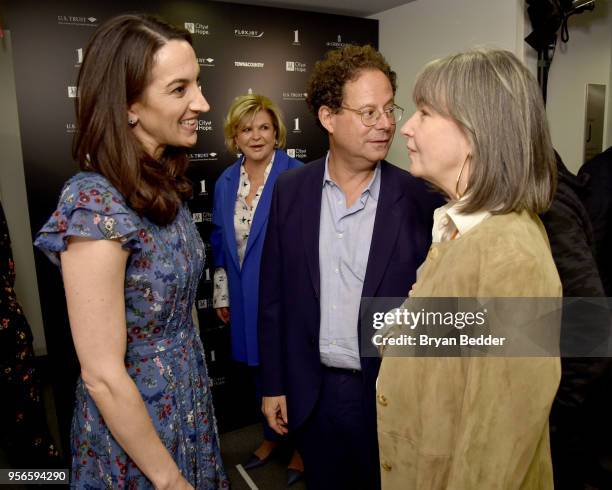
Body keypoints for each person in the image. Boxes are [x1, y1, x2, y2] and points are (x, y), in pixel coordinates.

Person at [34, 14, 228, 489]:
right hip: (137, 427)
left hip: (186, 400)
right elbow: (101, 374)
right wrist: (167, 479)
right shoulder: (93, 202)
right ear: (128, 106)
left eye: (197, 84)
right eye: (179, 89)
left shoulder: (163, 183)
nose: (201, 102)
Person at [258, 44, 443, 490]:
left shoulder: (422, 199)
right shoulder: (290, 189)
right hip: (312, 392)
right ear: (327, 118)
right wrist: (273, 384)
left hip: (388, 396)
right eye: (367, 112)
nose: (386, 124)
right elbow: (274, 296)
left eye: (388, 109)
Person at [376, 48, 562, 489]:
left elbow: (496, 448)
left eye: (424, 112)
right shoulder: (459, 232)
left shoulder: (511, 259)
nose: (405, 126)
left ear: (476, 133)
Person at [210, 94, 303, 484]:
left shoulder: (297, 174)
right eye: (247, 128)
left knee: (292, 368)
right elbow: (218, 238)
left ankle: (299, 446)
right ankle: (269, 436)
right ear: (235, 136)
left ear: (277, 132)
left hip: (286, 296)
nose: (256, 135)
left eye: (264, 127)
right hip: (244, 295)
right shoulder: (226, 180)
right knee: (256, 368)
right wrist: (221, 292)